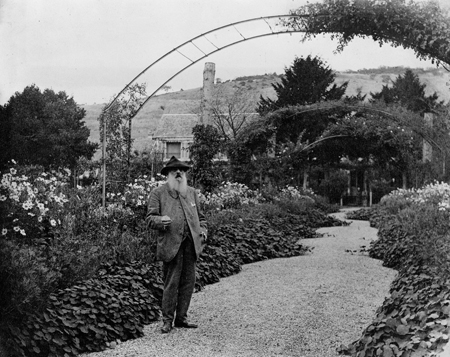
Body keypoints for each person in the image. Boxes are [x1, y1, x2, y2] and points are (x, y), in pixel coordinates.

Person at [146, 156, 208, 334]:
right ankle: (167, 320)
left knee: (189, 282)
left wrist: (203, 232)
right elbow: (150, 219)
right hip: (171, 244)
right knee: (171, 282)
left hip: (191, 245)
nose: (179, 173)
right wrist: (160, 221)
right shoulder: (158, 193)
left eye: (182, 170)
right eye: (175, 171)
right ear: (168, 174)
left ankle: (181, 318)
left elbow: (202, 219)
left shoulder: (192, 192)